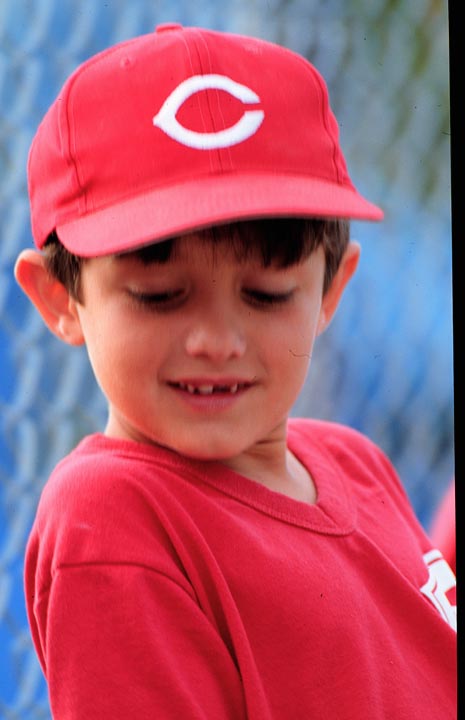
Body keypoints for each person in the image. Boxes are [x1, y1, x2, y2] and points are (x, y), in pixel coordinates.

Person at [15, 23, 456, 719]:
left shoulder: (357, 464)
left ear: (329, 292)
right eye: (160, 296)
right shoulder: (113, 515)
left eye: (267, 295)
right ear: (60, 299)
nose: (217, 341)